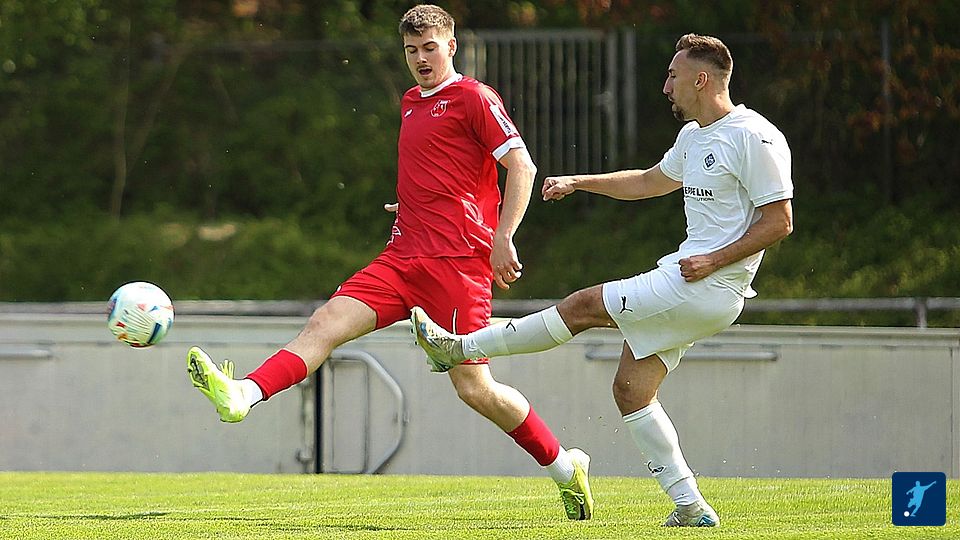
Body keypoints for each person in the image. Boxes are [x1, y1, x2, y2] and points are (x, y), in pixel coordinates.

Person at [185, 4, 593, 521]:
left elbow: (522, 166)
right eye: (410, 50)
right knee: (324, 324)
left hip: (456, 266)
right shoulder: (410, 102)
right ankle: (243, 393)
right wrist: (414, 204)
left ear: (451, 46)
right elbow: (443, 172)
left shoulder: (474, 97)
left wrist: (504, 237)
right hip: (401, 257)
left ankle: (563, 466)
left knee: (474, 388)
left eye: (429, 48)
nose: (421, 59)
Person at [411, 33, 793, 528]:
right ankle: (690, 506)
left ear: (701, 80)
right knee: (631, 389)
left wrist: (713, 261)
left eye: (673, 76)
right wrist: (579, 182)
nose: (666, 87)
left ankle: (459, 348)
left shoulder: (754, 136)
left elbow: (779, 221)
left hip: (708, 284)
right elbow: (649, 181)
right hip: (691, 277)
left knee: (583, 306)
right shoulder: (694, 136)